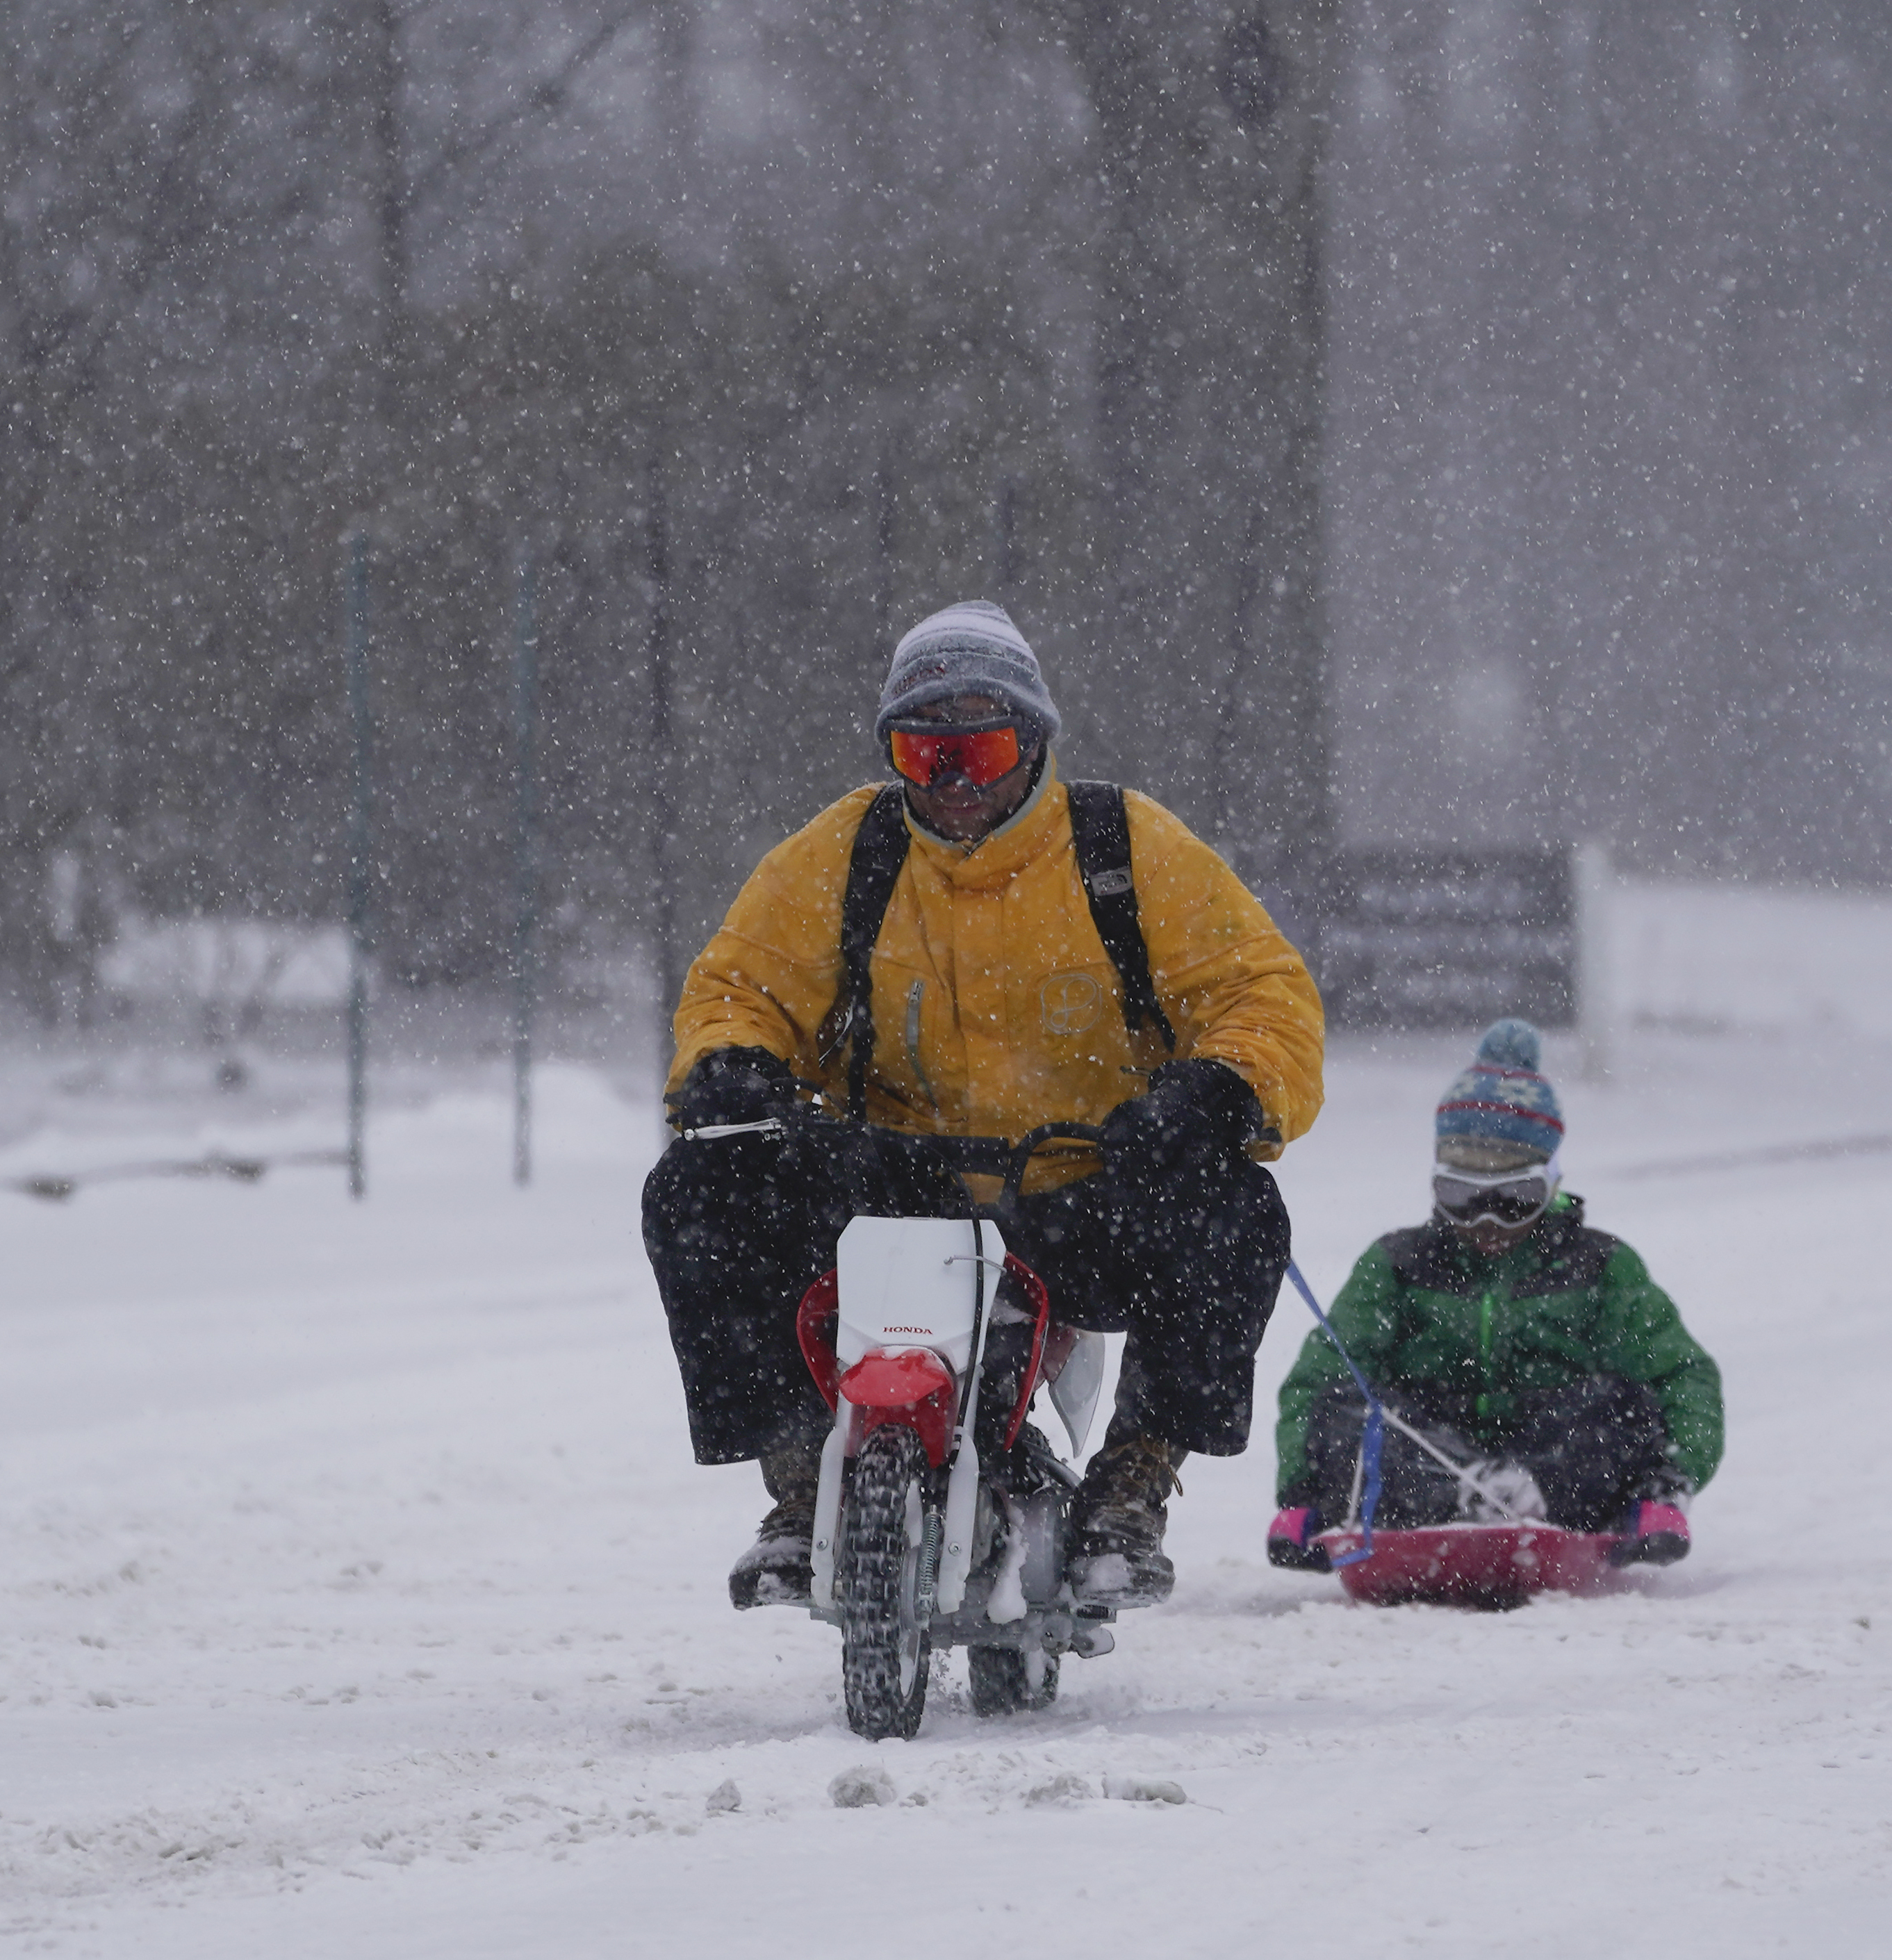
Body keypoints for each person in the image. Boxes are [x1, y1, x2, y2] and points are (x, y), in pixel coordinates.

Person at [645, 600, 1324, 1611]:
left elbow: (1257, 992)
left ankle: (1133, 1480)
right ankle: (797, 1484)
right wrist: (731, 1064)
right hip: (886, 1191)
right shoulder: (847, 856)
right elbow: (741, 986)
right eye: (925, 756)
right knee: (696, 1188)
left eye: (982, 748)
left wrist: (1211, 1089)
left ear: (1035, 742)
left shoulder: (1123, 847)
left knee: (1234, 1209)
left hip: (1083, 1191)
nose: (955, 783)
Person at [1267, 1019, 1720, 1571]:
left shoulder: (1600, 1266)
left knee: (1622, 1405)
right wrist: (1300, 1491)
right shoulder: (1396, 1265)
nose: (1485, 1221)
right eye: (1460, 1196)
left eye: (1513, 1198)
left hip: (1560, 1468)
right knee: (1350, 1406)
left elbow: (1681, 1374)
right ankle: (1468, 1495)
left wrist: (1673, 1478)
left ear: (1550, 1185)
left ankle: (1519, 1493)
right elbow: (1320, 1378)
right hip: (1428, 1462)